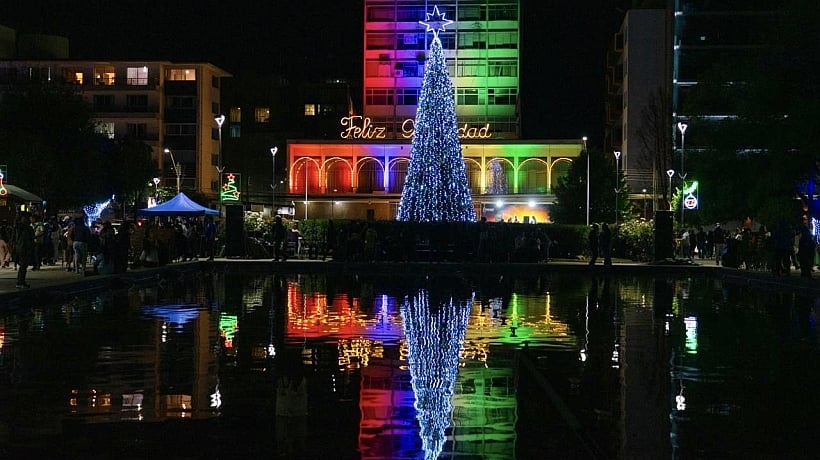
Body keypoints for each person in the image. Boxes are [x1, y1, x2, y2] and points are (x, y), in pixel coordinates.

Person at [13, 212, 35, 288]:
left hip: (21, 247)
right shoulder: (25, 227)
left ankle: (21, 281)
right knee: (23, 265)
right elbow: (30, 239)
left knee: (23, 265)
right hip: (23, 248)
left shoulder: (20, 227)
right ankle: (20, 282)